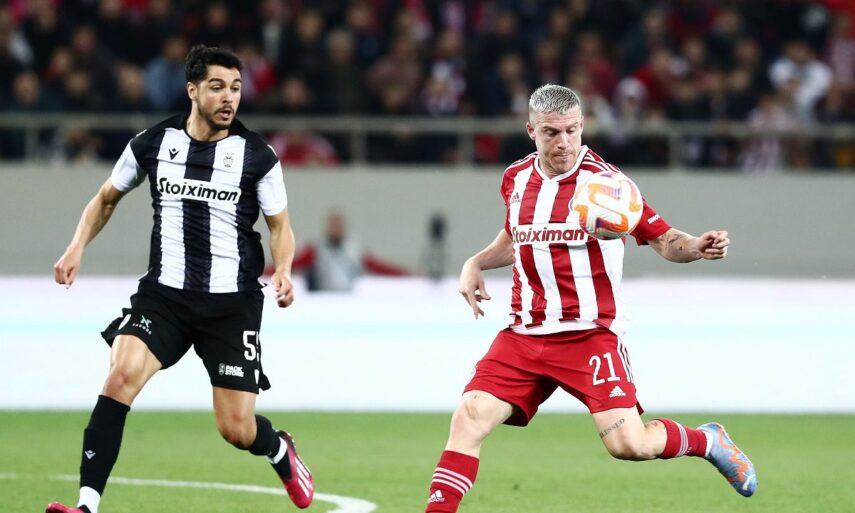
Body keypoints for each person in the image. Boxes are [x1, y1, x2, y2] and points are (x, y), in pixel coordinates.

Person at [423, 84, 756, 513]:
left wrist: (696, 246)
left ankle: (707, 440)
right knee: (468, 418)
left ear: (582, 126)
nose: (563, 142)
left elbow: (663, 239)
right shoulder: (516, 178)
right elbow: (517, 235)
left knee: (629, 445)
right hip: (525, 332)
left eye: (571, 130)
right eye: (551, 133)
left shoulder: (608, 186)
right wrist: (476, 262)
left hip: (589, 334)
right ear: (531, 130)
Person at [47, 45, 314, 513]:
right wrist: (76, 247)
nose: (229, 98)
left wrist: (285, 270)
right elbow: (106, 198)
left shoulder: (257, 156)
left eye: (235, 88)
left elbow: (280, 227)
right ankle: (86, 505)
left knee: (237, 429)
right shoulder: (153, 143)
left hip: (230, 305)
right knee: (120, 377)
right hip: (164, 297)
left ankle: (278, 450)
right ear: (192, 90)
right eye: (217, 87)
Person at [284, 209, 409, 291]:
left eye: (339, 226)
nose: (336, 229)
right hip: (323, 297)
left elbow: (376, 265)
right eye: (334, 226)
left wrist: (405, 274)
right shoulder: (316, 248)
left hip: (347, 297)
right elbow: (292, 264)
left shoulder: (353, 248)